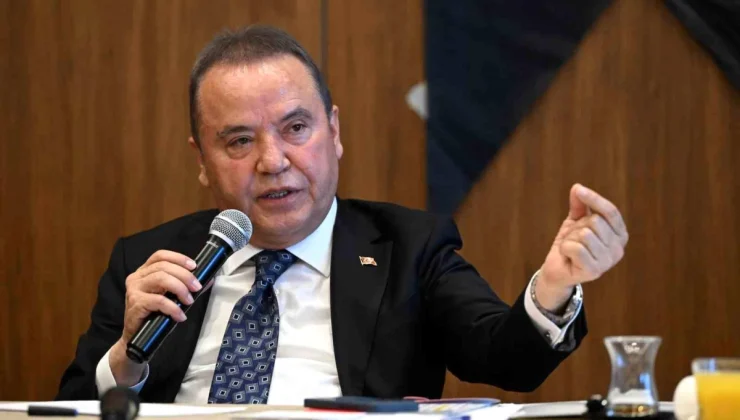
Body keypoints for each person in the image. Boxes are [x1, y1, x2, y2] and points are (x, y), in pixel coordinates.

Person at [57, 25, 628, 405]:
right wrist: (127, 357)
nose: (272, 161)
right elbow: (71, 405)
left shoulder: (408, 247)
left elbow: (505, 359)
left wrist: (555, 285)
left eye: (296, 128)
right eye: (239, 141)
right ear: (201, 160)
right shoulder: (149, 261)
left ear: (333, 133)